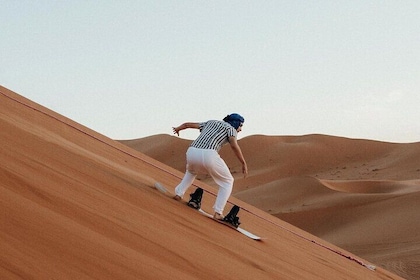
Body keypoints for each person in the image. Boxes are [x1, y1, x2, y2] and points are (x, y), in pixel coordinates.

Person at [172, 113, 248, 220]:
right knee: (228, 181)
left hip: (192, 151)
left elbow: (188, 124)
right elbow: (234, 145)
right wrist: (243, 163)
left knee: (191, 171)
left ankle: (178, 194)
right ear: (235, 123)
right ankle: (218, 212)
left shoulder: (211, 122)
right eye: (240, 126)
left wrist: (178, 128)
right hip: (209, 154)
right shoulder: (231, 129)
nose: (240, 129)